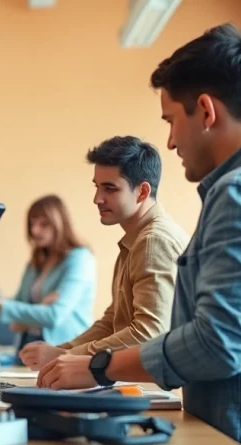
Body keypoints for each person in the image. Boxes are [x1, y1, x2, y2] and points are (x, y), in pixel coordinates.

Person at [37, 24, 241, 445]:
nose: (170, 142)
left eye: (171, 120)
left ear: (205, 111)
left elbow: (220, 342)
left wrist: (99, 366)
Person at [19, 136, 187, 369]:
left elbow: (149, 335)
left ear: (142, 192)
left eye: (109, 188)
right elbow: (113, 320)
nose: (97, 199)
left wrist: (66, 357)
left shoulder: (153, 241)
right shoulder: (136, 239)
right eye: (97, 187)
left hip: (155, 388)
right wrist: (63, 351)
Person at [0, 195, 95, 365]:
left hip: (66, 355)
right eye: (32, 223)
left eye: (44, 224)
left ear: (60, 224)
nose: (35, 230)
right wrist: (38, 311)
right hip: (27, 352)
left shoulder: (79, 259)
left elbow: (54, 316)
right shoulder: (35, 263)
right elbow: (16, 320)